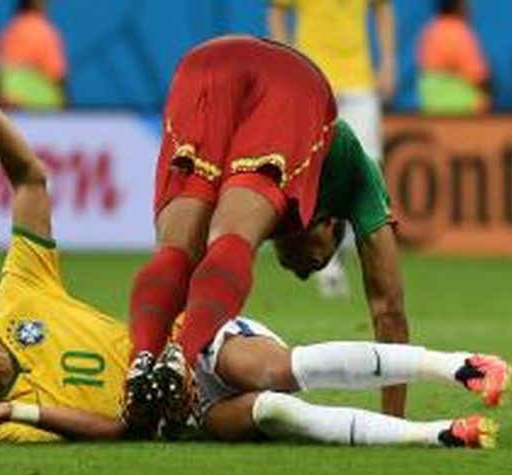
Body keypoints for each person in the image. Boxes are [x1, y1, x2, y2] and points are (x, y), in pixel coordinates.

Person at [0, 49, 511, 449]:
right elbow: (110, 431)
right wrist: (14, 414)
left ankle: (457, 364)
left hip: (200, 337)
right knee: (274, 414)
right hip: (176, 419)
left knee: (258, 362)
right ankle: (434, 435)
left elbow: (29, 179)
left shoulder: (19, 291)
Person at [124, 35, 408, 441]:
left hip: (202, 63)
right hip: (293, 81)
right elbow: (389, 306)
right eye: (318, 261)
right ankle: (180, 360)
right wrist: (393, 424)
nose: (302, 273)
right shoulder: (357, 172)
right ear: (327, 224)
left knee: (177, 252)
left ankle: (143, 364)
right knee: (234, 237)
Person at [268, 0, 398, 298]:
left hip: (359, 83)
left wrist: (388, 62)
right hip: (311, 79)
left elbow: (382, 10)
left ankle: (351, 252)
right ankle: (327, 265)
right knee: (314, 175)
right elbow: (276, 10)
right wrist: (285, 61)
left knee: (370, 170)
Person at [416, 0, 491, 115]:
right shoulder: (459, 32)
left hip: (429, 107)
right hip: (462, 110)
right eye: (467, 4)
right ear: (459, 5)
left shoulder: (429, 29)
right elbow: (478, 76)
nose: (471, 8)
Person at [0, 0, 68, 109]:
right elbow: (57, 73)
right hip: (39, 103)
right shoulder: (44, 30)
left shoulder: (10, 28)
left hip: (8, 98)